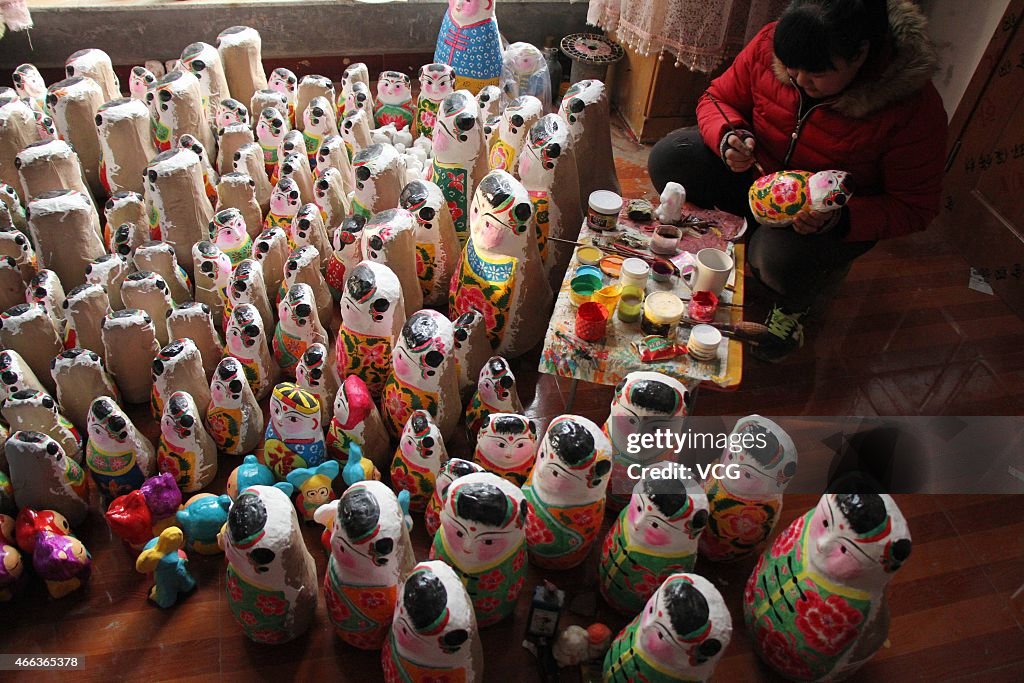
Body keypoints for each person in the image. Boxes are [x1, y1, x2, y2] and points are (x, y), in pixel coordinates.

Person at [647, 0, 947, 362]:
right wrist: (730, 137)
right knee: (671, 156)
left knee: (778, 259)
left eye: (817, 73)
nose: (799, 80)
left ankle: (795, 303)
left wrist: (839, 218)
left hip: (821, 218)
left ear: (860, 54)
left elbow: (915, 206)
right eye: (790, 68)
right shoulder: (773, 42)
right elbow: (718, 98)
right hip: (758, 174)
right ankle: (740, 235)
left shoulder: (913, 107)